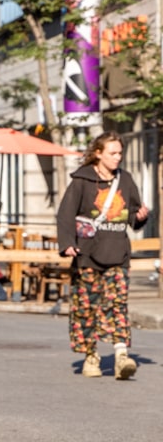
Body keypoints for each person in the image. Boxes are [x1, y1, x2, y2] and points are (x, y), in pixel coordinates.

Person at [56, 131, 150, 379]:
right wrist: (67, 243)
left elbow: (132, 215)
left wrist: (140, 216)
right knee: (87, 308)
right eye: (113, 153)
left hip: (118, 253)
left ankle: (121, 355)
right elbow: (65, 215)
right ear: (98, 153)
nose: (118, 157)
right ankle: (91, 355)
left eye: (120, 153)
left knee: (118, 304)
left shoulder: (125, 180)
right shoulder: (81, 181)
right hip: (87, 254)